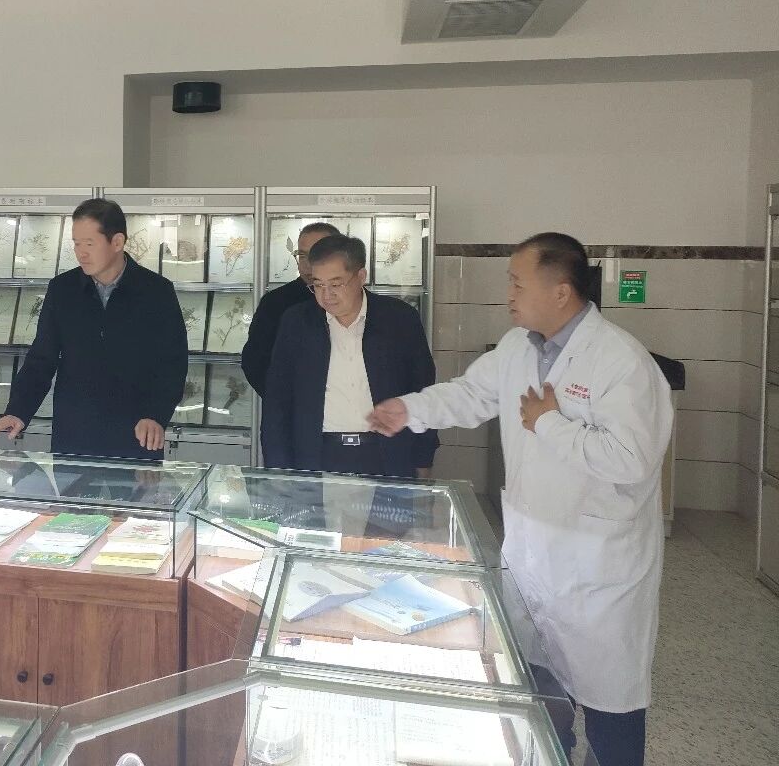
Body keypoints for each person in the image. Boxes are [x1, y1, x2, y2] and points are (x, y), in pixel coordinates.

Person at [368, 232, 672, 766]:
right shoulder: (517, 347)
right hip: (533, 553)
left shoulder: (620, 360)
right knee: (540, 693)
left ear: (561, 291)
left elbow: (631, 459)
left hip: (597, 564)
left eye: (517, 283)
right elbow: (471, 394)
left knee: (610, 707)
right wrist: (410, 409)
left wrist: (548, 422)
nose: (508, 294)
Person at [0, 198, 188, 460]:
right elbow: (41, 358)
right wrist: (18, 411)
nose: (81, 253)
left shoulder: (156, 291)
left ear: (117, 242)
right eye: (76, 244)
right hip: (74, 435)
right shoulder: (62, 290)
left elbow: (172, 363)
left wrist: (156, 415)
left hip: (138, 435)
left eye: (89, 244)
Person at [262, 234, 439, 478]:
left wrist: (423, 459)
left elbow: (423, 388)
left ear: (361, 276)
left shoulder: (399, 319)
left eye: (336, 284)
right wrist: (277, 468)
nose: (326, 295)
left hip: (386, 454)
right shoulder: (297, 323)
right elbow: (277, 402)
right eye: (318, 285)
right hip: (316, 454)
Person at [241, 221, 338, 397]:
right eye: (302, 255)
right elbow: (255, 362)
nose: (307, 264)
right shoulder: (276, 302)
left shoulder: (361, 301)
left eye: (317, 254)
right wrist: (286, 401)